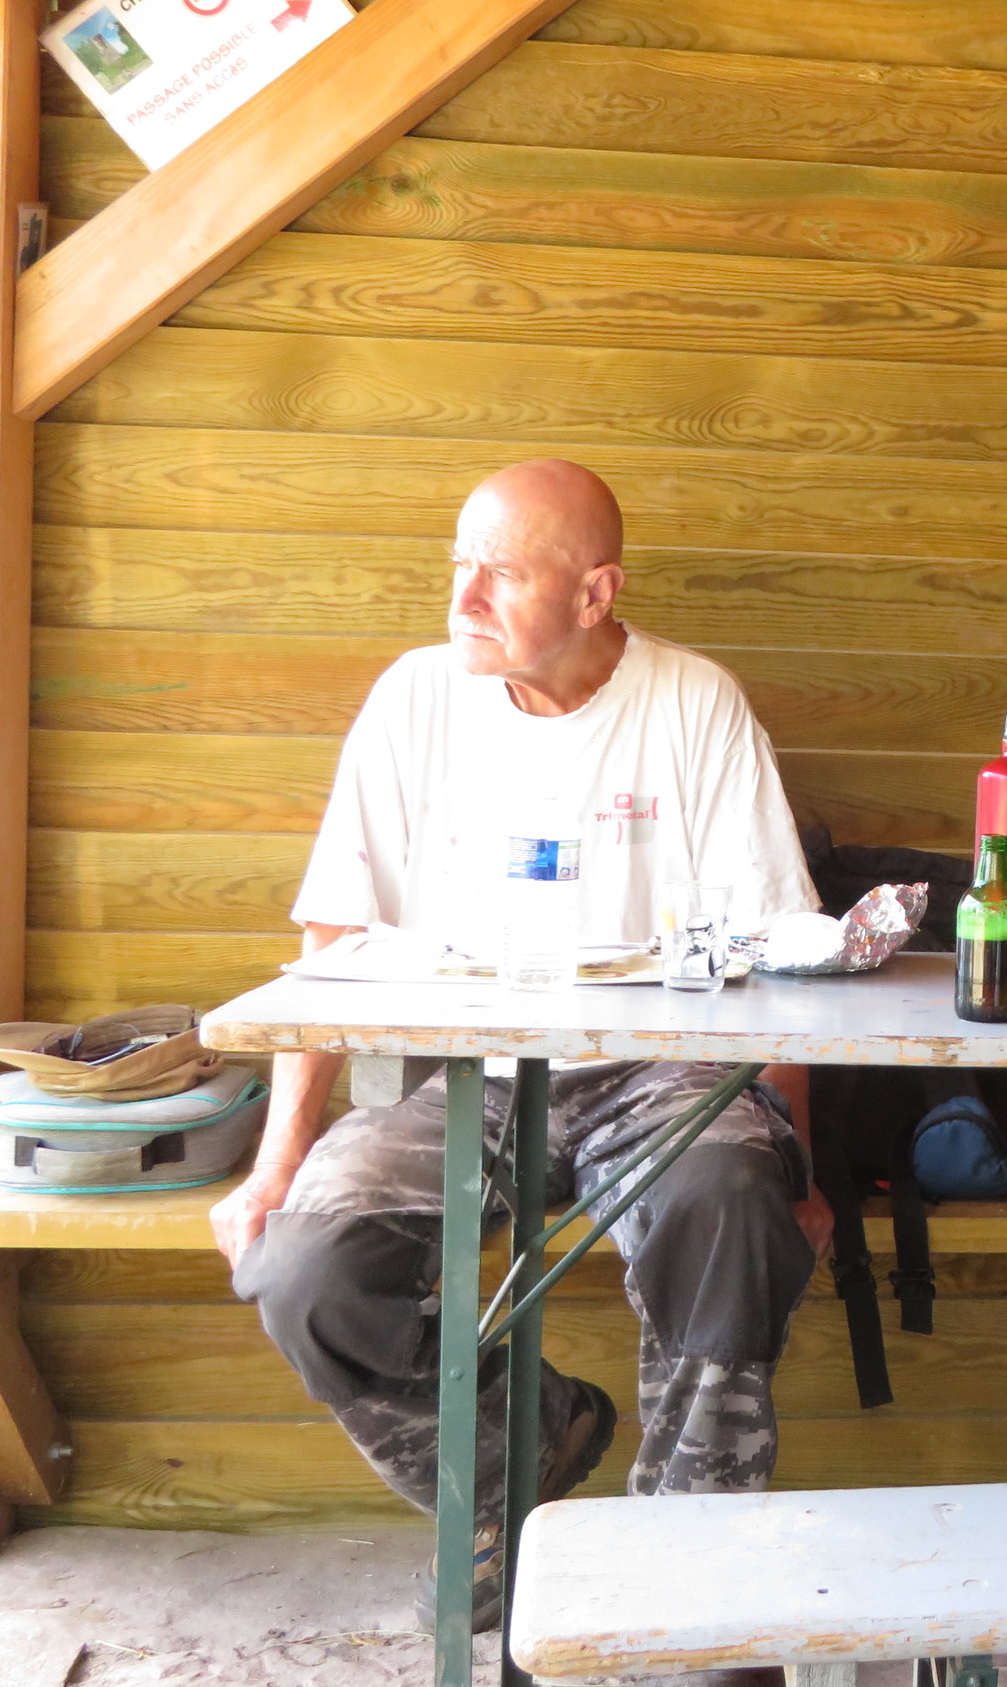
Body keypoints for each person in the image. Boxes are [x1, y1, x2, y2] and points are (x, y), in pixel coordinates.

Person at [210, 461, 823, 1684]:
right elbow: (334, 941)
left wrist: (790, 1156)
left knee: (730, 1203)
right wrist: (277, 1163)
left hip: (663, 1067)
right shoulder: (415, 698)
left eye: (501, 572)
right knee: (303, 1267)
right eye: (458, 565)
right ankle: (518, 1461)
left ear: (596, 594)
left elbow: (780, 950)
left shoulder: (694, 703)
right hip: (470, 1078)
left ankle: (689, 1581)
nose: (464, 596)